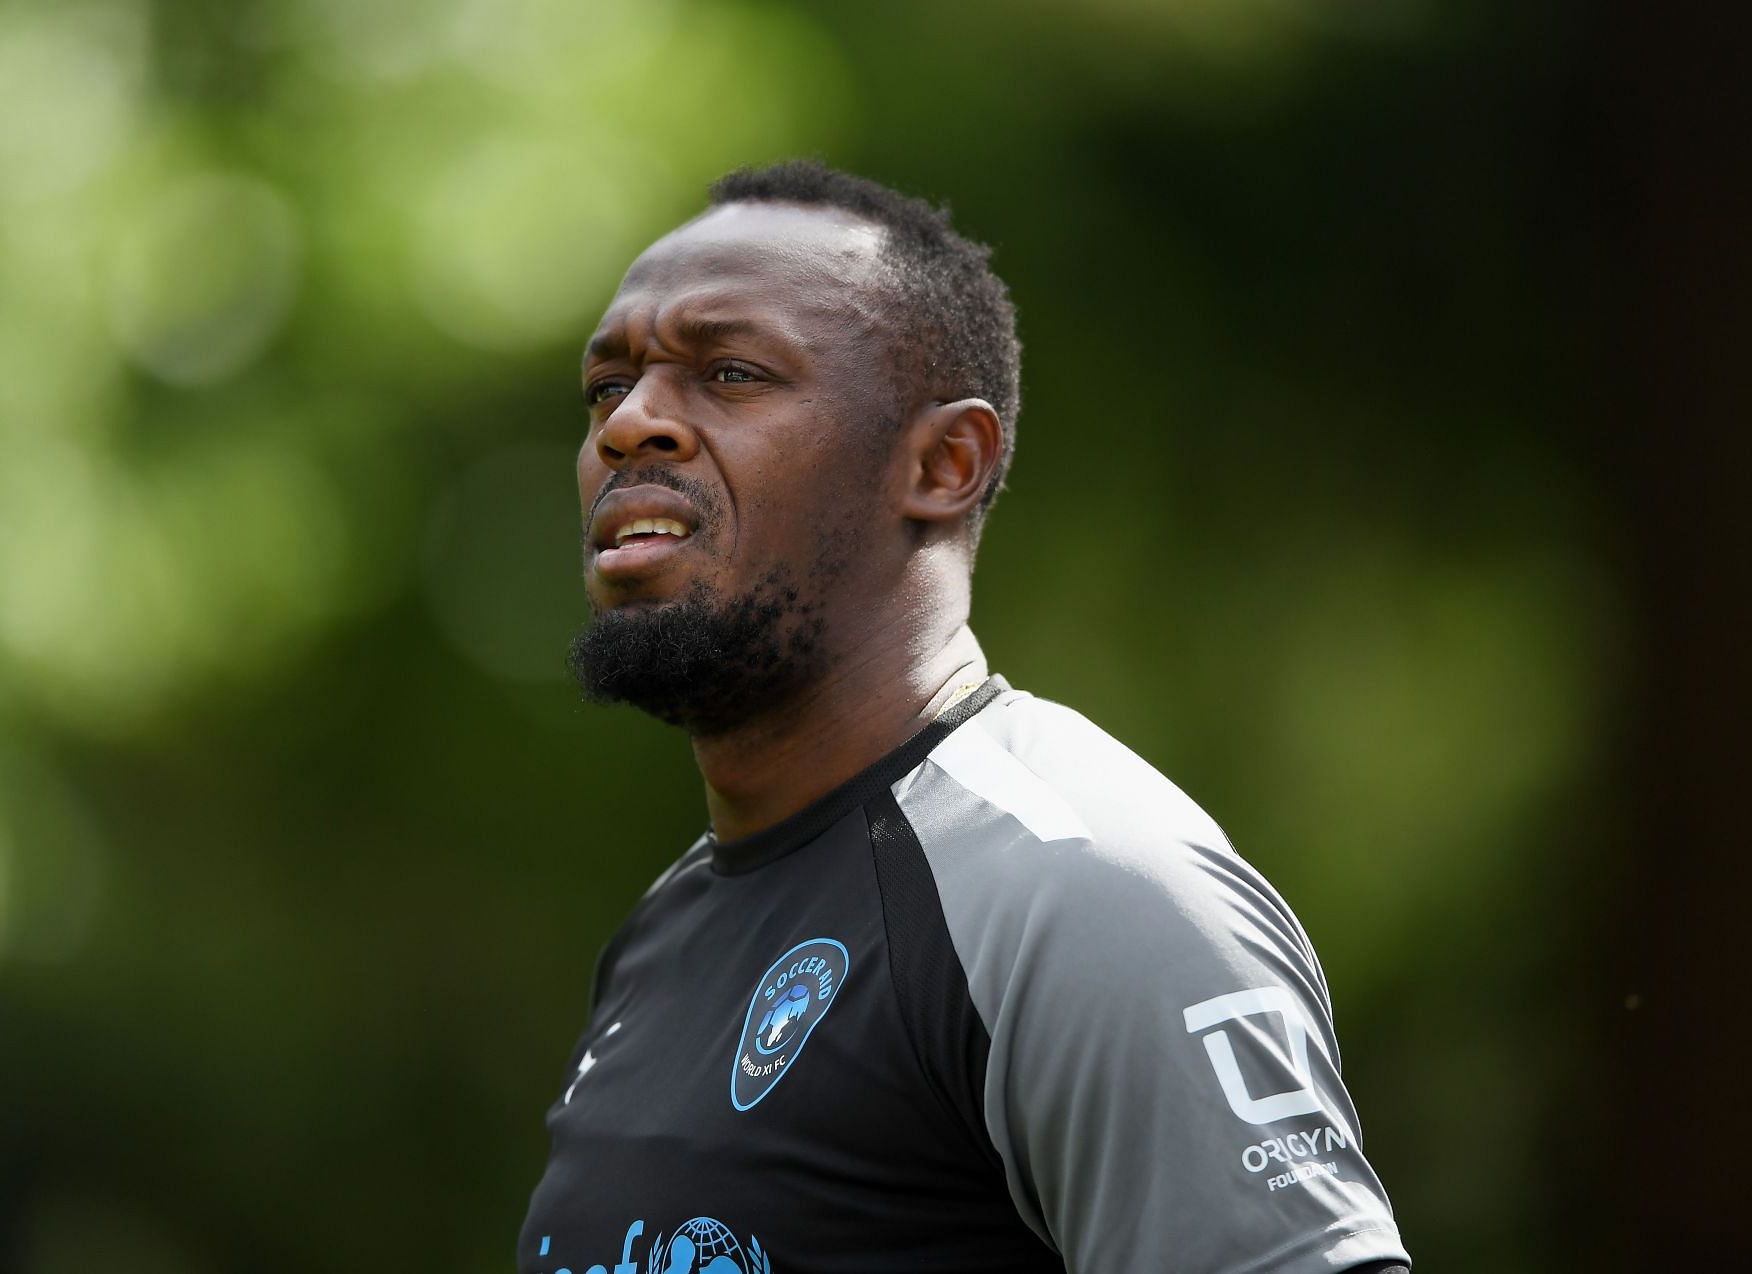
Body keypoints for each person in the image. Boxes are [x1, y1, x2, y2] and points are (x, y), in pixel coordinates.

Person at [518, 161, 1411, 1274]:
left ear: (944, 463)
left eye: (731, 372)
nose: (633, 423)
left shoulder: (1083, 890)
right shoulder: (669, 928)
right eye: (608, 387)